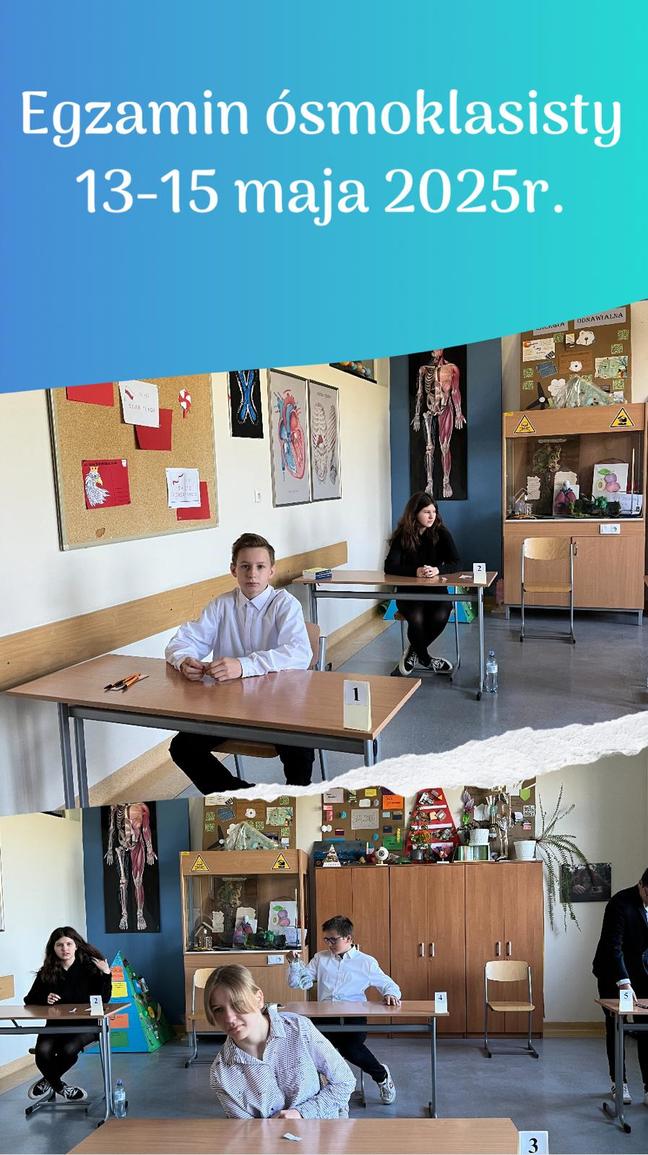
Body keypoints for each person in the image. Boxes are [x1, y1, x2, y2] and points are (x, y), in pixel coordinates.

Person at [165, 532, 314, 793]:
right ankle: (244, 796)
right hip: (229, 707)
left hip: (279, 706)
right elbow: (182, 641)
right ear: (233, 570)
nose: (252, 574)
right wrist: (184, 660)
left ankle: (296, 798)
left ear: (271, 571)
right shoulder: (221, 605)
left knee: (300, 748)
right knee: (182, 747)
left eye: (260, 567)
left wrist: (244, 665)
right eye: (245, 566)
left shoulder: (285, 605)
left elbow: (300, 653)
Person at [205, 964, 355, 1119]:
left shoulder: (298, 1028)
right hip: (268, 1135)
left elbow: (345, 1082)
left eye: (237, 1004)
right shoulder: (220, 1073)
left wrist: (301, 1114)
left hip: (323, 1129)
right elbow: (244, 1129)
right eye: (218, 1009)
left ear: (258, 999)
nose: (229, 1018)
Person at [287, 915, 401, 1104]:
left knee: (350, 1048)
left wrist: (391, 994)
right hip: (324, 1016)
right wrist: (293, 964)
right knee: (310, 1047)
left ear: (348, 938)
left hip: (353, 1017)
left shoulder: (365, 962)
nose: (329, 944)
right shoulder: (320, 958)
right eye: (326, 939)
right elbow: (296, 983)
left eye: (333, 939)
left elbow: (389, 985)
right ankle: (326, 1087)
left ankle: (382, 1076)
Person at [24, 927, 112, 1104]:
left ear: (76, 946)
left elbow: (104, 999)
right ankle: (60, 1087)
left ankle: (49, 1080)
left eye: (69, 944)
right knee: (42, 1051)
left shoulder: (90, 968)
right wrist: (45, 998)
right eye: (60, 945)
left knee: (68, 1049)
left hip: (87, 1025)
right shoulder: (47, 971)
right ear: (53, 948)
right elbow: (29, 999)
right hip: (56, 1024)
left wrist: (106, 974)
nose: (65, 948)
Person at [385, 491, 460, 676]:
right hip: (408, 591)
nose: (431, 516)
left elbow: (457, 563)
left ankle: (413, 652)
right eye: (426, 512)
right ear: (415, 513)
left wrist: (438, 570)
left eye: (434, 511)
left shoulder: (441, 532)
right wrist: (415, 571)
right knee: (416, 617)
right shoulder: (403, 535)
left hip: (436, 590)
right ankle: (425, 659)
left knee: (442, 613)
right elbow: (389, 566)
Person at [592, 869, 648, 1105]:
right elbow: (613, 946)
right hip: (613, 973)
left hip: (642, 972)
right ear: (642, 885)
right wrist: (624, 982)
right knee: (617, 1026)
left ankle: (647, 1087)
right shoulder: (620, 903)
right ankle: (619, 1082)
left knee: (646, 1028)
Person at [412, 349, 466, 498]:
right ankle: (429, 482)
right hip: (429, 412)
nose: (435, 350)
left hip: (445, 408)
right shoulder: (423, 370)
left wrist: (459, 412)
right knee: (429, 448)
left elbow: (455, 391)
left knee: (445, 447)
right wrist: (416, 415)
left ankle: (446, 481)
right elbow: (420, 393)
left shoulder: (452, 369)